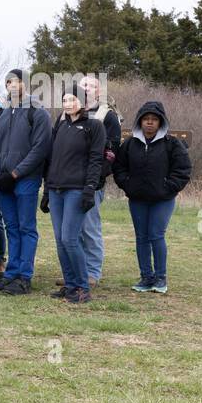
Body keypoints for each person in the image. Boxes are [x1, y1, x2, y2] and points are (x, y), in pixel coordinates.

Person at [113, 101, 191, 294]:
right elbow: (119, 168)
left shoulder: (173, 144)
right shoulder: (130, 143)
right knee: (141, 237)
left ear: (160, 122)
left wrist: (168, 187)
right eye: (146, 119)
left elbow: (183, 170)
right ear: (140, 122)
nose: (149, 123)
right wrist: (128, 185)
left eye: (154, 120)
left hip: (162, 199)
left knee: (156, 235)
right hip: (138, 198)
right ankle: (146, 277)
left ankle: (160, 278)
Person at [0, 69, 51, 295]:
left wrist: (15, 173)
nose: (12, 85)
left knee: (26, 227)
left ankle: (25, 276)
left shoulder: (38, 113)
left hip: (26, 180)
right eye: (8, 82)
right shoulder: (0, 114)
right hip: (3, 181)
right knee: (11, 227)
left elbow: (40, 149)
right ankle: (11, 273)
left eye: (17, 81)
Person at [41, 86, 105, 305]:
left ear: (83, 102)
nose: (68, 103)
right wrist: (47, 190)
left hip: (77, 190)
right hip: (57, 189)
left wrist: (89, 189)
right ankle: (70, 285)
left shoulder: (94, 126)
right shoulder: (60, 127)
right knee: (60, 240)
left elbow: (97, 160)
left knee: (70, 238)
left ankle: (82, 288)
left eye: (72, 99)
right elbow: (52, 160)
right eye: (65, 99)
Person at [79, 75, 121, 289]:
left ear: (99, 91)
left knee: (89, 227)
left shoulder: (108, 116)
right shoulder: (69, 114)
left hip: (93, 182)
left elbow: (112, 152)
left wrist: (96, 178)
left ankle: (92, 272)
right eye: (82, 85)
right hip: (69, 181)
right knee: (72, 231)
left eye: (90, 85)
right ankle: (77, 272)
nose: (85, 89)